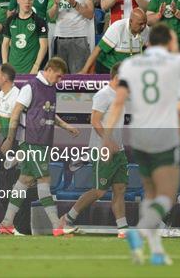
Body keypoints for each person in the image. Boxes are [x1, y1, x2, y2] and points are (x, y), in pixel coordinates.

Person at [104, 23, 180, 265]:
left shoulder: (131, 65)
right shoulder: (176, 63)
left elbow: (118, 102)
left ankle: (153, 236)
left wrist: (107, 137)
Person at [0, 57, 80, 237]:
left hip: (42, 142)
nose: (59, 80)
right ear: (49, 69)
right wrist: (10, 139)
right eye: (58, 76)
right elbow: (16, 112)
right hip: (31, 141)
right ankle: (57, 226)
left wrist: (66, 127)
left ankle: (6, 224)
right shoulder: (30, 87)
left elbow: (50, 113)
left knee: (24, 181)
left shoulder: (51, 88)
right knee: (44, 181)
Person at [60, 62, 129, 237]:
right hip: (102, 150)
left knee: (120, 189)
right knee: (99, 191)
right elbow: (95, 121)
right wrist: (108, 141)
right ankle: (67, 219)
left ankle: (123, 229)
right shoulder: (103, 95)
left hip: (118, 150)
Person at [48, 0, 95, 74]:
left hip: (79, 39)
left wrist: (75, 4)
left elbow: (90, 14)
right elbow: (50, 16)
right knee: (58, 80)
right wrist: (56, 5)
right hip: (60, 38)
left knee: (78, 81)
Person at [80, 8, 149, 74]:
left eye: (145, 23)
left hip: (128, 69)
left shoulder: (146, 30)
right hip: (108, 68)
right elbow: (98, 49)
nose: (143, 26)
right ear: (131, 21)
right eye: (140, 24)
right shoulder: (117, 28)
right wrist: (84, 70)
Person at [2, 0, 48, 75]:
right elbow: (5, 44)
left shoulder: (39, 21)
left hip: (31, 71)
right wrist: (5, 65)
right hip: (12, 71)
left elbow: (44, 46)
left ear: (33, 1)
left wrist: (36, 66)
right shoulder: (10, 20)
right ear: (18, 0)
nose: (27, 2)